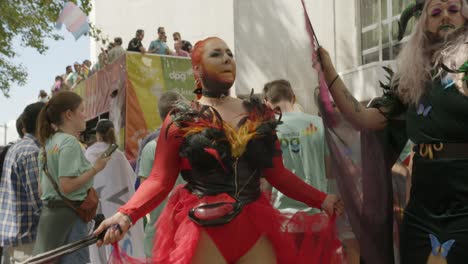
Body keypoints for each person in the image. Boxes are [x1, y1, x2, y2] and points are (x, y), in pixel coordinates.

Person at [95, 37, 343, 264]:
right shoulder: (181, 118)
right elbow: (159, 179)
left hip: (253, 227)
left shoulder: (259, 113)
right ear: (196, 69)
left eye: (229, 53)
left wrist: (322, 199)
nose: (226, 58)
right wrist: (126, 215)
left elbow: (278, 174)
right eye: (216, 54)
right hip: (203, 230)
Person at [319, 0, 468, 262]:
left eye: (453, 9)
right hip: (423, 203)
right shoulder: (412, 77)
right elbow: (364, 118)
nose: (444, 15)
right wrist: (329, 71)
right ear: (424, 24)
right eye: (435, 12)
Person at [33, 91, 111, 263]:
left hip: (50, 218)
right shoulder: (69, 142)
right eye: (82, 110)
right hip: (71, 219)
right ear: (69, 114)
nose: (86, 115)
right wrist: (96, 168)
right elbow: (66, 186)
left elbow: (41, 189)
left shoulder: (47, 144)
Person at [85, 119, 145, 262]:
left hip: (98, 209)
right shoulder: (118, 155)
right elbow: (131, 181)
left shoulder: (89, 154)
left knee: (99, 245)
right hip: (120, 208)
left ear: (98, 135)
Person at [136, 91, 186, 258]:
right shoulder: (194, 143)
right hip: (189, 230)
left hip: (159, 234)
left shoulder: (151, 146)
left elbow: (144, 192)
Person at [0, 102, 44, 263]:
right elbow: (41, 203)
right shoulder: (31, 153)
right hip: (27, 244)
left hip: (17, 242)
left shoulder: (19, 148)